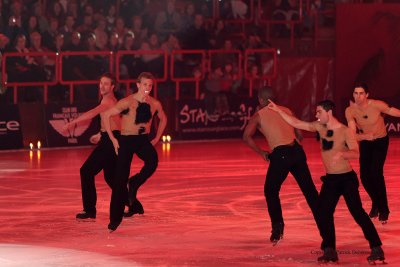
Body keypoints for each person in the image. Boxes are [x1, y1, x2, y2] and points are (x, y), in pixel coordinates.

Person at [268, 99, 385, 264]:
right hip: (331, 180)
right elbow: (297, 123)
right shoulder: (320, 127)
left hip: (347, 179)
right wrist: (279, 111)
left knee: (358, 213)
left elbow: (355, 153)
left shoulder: (345, 131)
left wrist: (342, 154)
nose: (316, 115)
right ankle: (329, 250)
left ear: (328, 112)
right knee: (323, 212)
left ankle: (376, 248)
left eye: (318, 112)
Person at [243, 86, 319, 245]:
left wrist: (261, 152)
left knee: (270, 190)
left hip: (281, 155)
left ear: (261, 100)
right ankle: (324, 222)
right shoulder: (286, 110)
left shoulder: (258, 115)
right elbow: (299, 134)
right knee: (310, 191)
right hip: (297, 152)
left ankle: (277, 227)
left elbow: (246, 137)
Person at [102, 72, 167, 231]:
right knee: (119, 180)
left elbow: (163, 119)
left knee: (152, 161)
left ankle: (135, 182)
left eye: (150, 85)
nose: (148, 88)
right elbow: (106, 115)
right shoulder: (128, 102)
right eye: (145, 84)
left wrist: (157, 138)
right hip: (126, 141)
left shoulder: (154, 103)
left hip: (142, 140)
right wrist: (113, 139)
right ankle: (114, 220)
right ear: (138, 85)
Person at [62, 73, 121, 220]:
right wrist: (101, 134)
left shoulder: (108, 100)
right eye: (101, 83)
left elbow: (92, 113)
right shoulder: (110, 100)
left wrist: (72, 123)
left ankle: (89, 210)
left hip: (110, 142)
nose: (102, 86)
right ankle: (132, 203)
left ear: (112, 86)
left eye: (106, 84)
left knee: (86, 171)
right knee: (110, 177)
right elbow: (116, 123)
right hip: (111, 139)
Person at [345, 82, 400, 224]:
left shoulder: (377, 105)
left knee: (376, 173)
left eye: (361, 93)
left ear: (367, 95)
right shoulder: (350, 111)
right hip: (366, 143)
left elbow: (395, 112)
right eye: (355, 93)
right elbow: (351, 133)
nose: (358, 96)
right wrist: (364, 137)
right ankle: (376, 202)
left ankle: (384, 209)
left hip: (381, 142)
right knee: (364, 177)